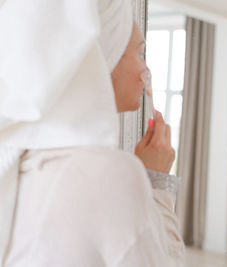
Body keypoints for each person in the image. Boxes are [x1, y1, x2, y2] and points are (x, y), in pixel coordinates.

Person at [0, 0, 184, 266]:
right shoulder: (109, 173)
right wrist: (156, 182)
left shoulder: (16, 156)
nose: (147, 71)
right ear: (101, 58)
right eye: (140, 54)